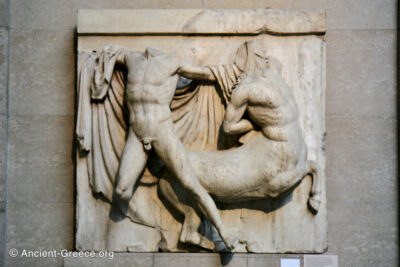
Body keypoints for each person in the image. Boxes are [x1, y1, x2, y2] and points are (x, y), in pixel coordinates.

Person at [95, 45, 238, 250]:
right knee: (122, 191)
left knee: (191, 184)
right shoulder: (131, 59)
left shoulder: (172, 63)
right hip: (137, 134)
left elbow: (206, 74)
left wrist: (231, 72)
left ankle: (224, 233)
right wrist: (100, 59)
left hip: (162, 132)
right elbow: (105, 58)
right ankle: (157, 229)